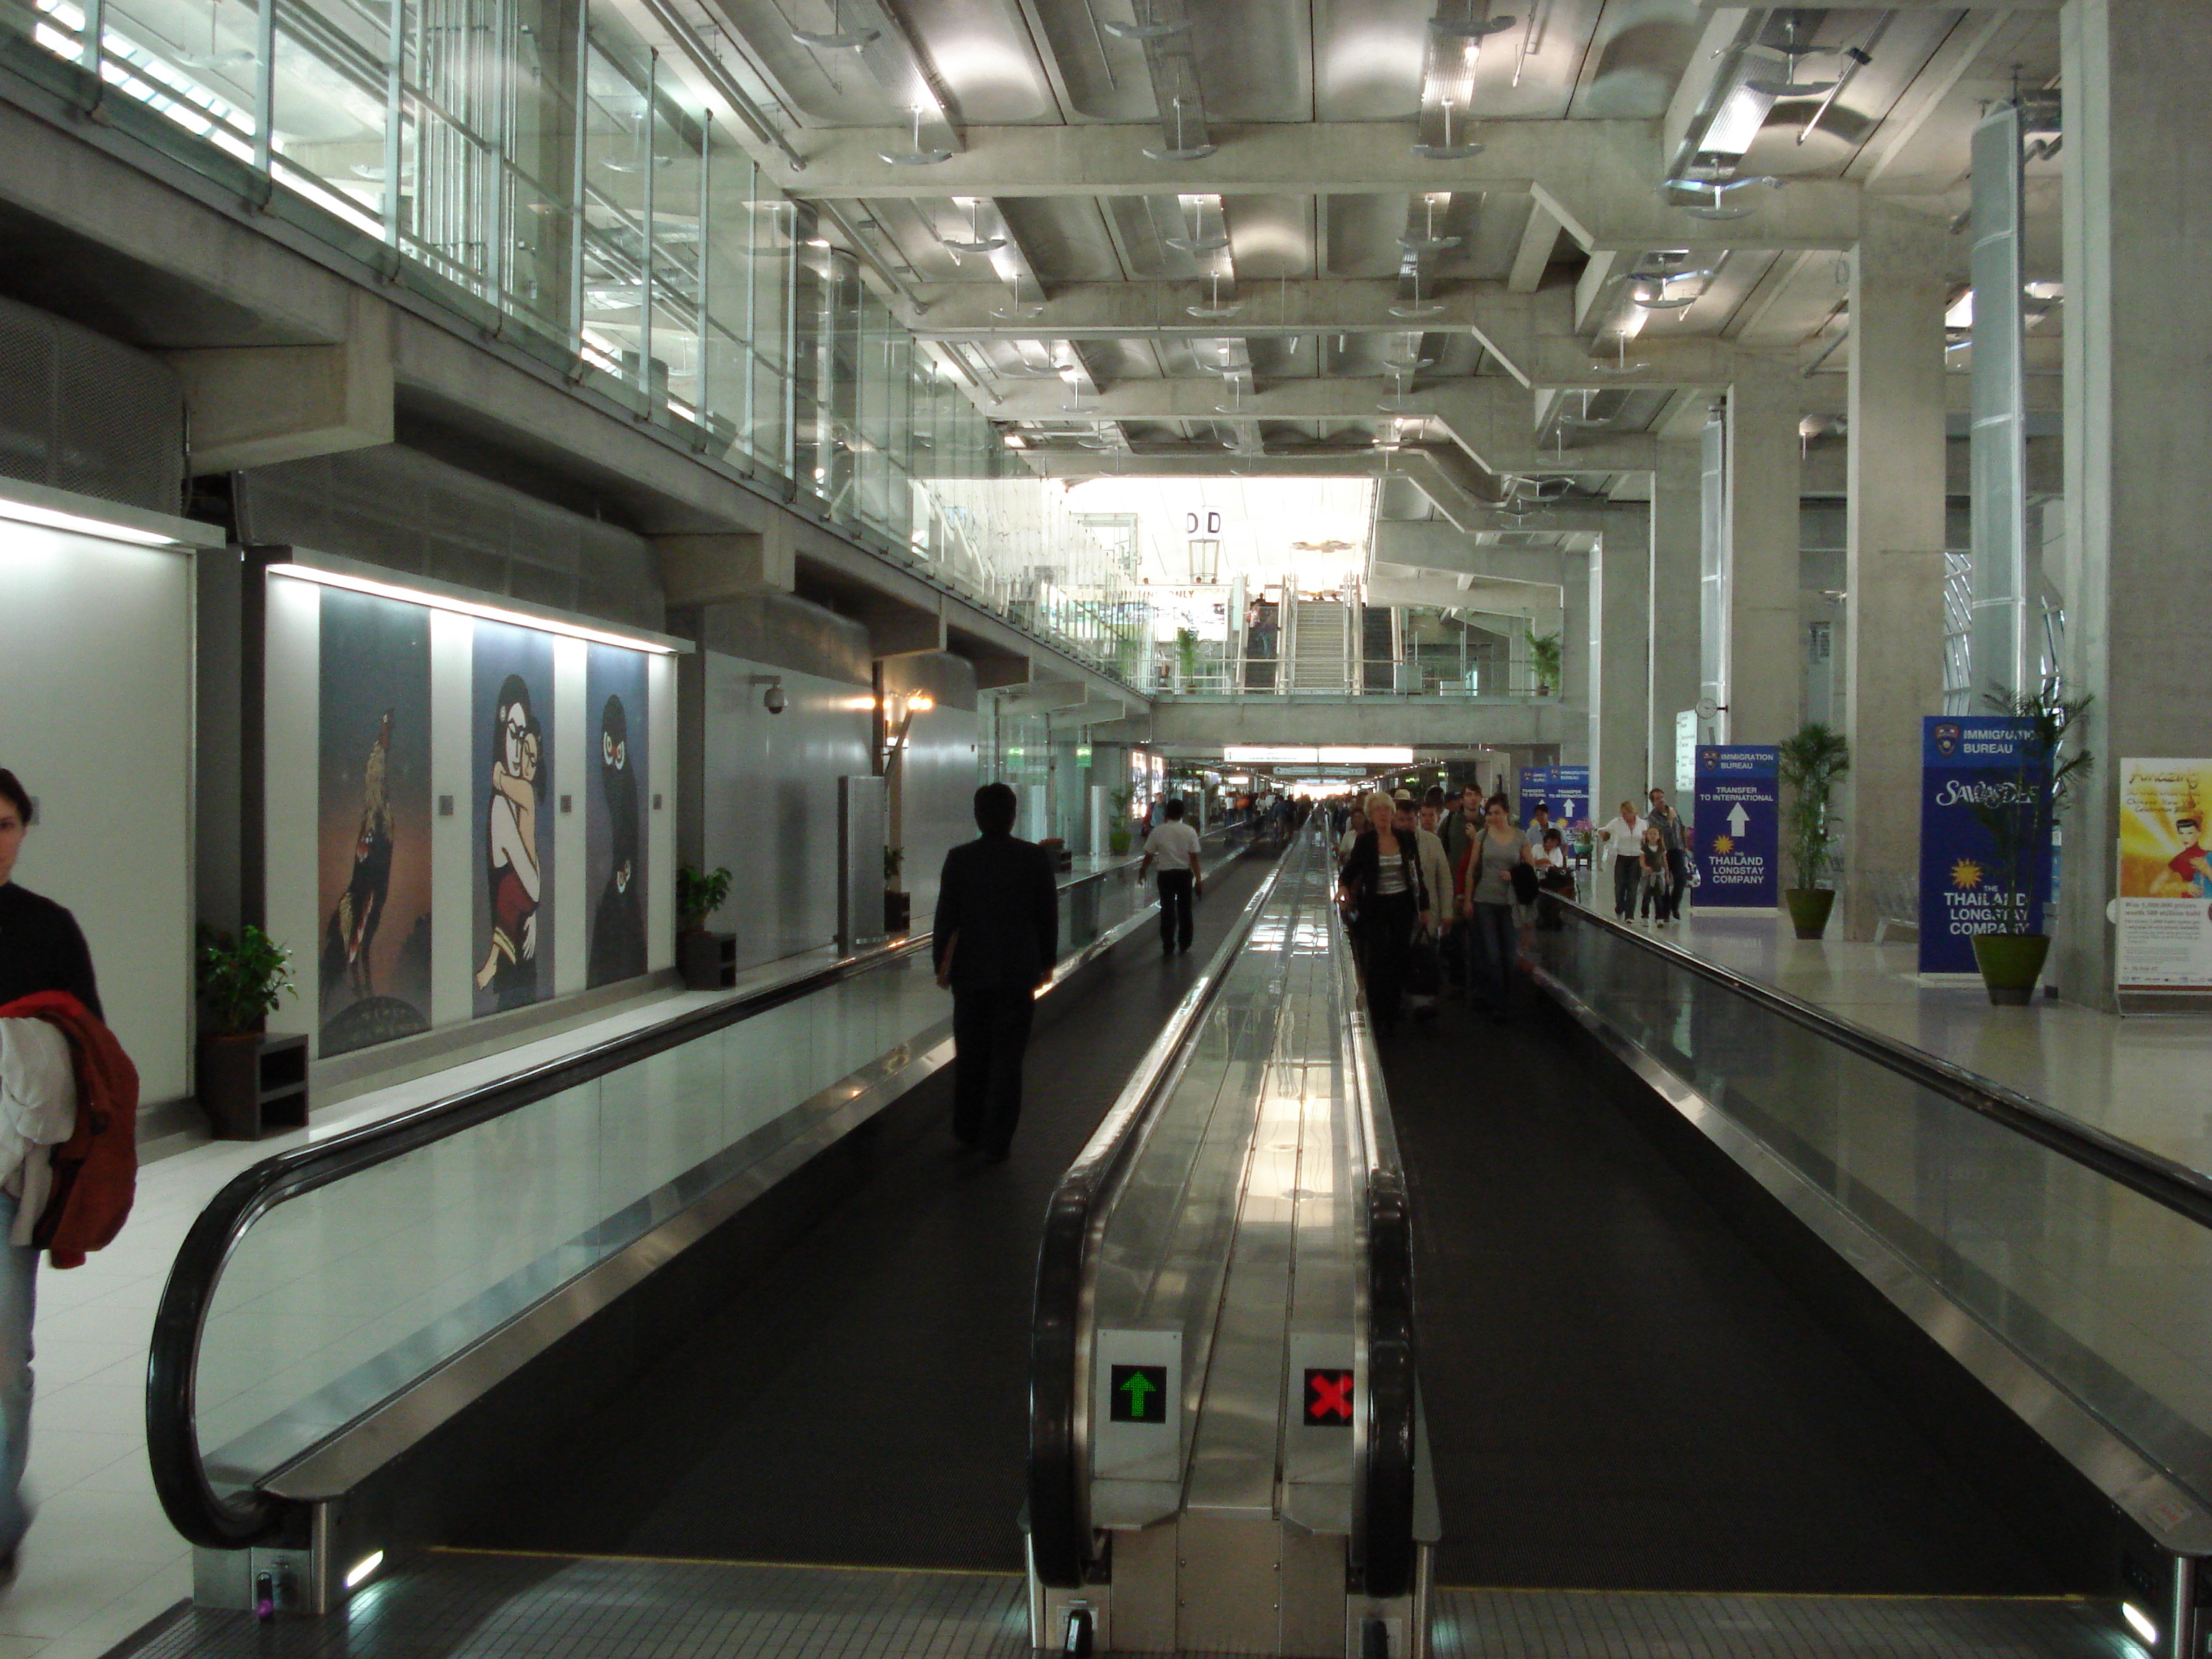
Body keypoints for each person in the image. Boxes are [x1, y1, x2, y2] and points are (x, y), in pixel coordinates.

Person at [0, 769, 101, 1571]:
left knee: (5, 1357)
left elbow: (92, 1052)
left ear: (26, 828)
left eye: (5, 823)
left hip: (13, 1177)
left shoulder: (48, 930)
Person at [934, 783, 1058, 1163]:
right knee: (1008, 1058)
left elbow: (945, 919)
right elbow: (1047, 917)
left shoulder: (960, 859)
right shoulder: (1033, 859)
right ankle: (998, 1139)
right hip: (1017, 973)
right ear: (1013, 815)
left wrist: (943, 964)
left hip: (971, 974)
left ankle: (968, 1130)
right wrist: (1045, 963)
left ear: (977, 815)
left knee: (971, 1053)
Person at [1338, 791, 1429, 1035]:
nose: (1383, 814)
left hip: (1402, 904)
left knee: (1400, 957)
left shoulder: (1405, 838)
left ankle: (1393, 1009)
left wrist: (1425, 907)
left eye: (1387, 810)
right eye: (1377, 810)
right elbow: (1352, 867)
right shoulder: (1366, 841)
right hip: (1376, 907)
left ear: (1392, 813)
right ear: (1371, 815)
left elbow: (1416, 875)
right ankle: (1377, 1012)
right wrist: (1343, 886)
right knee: (1378, 960)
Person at [1457, 792, 1534, 1022]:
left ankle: (1502, 997)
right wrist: (1468, 899)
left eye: (1497, 813)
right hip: (1485, 901)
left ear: (1506, 813)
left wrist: (1513, 876)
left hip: (1509, 903)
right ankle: (1498, 1003)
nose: (1492, 817)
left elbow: (1530, 870)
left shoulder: (1520, 837)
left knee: (1508, 955)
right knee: (1491, 954)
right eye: (1489, 813)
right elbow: (1472, 869)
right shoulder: (1482, 835)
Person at [1138, 797, 1204, 955]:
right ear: (1182, 813)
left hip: (1165, 875)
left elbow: (1149, 854)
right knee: (1185, 910)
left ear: (1167, 813)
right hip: (1184, 875)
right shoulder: (1189, 831)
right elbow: (1194, 857)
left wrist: (1143, 871)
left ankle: (1168, 944)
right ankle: (1185, 943)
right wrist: (1199, 880)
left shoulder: (1158, 831)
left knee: (1167, 910)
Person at [1596, 798, 1644, 921]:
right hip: (1622, 857)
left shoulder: (1643, 824)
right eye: (1622, 813)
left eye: (1626, 813)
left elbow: (1646, 839)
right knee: (1620, 886)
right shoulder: (1617, 822)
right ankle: (1619, 907)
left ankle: (1630, 915)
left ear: (1632, 812)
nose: (1623, 816)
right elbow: (1602, 830)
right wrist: (1602, 833)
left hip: (1636, 858)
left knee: (1633, 887)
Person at [1647, 788, 1689, 924]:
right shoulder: (1652, 817)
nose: (1662, 800)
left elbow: (1681, 827)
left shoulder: (1673, 811)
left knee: (1681, 879)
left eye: (1662, 797)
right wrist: (1670, 820)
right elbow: (1664, 831)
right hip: (1663, 852)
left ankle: (1674, 905)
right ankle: (1664, 912)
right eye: (1658, 799)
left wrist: (1685, 845)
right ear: (1653, 802)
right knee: (1664, 882)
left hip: (1678, 850)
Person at [1637, 823, 1671, 922]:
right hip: (1647, 876)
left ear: (1659, 836)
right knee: (1646, 897)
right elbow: (1642, 861)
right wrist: (1645, 867)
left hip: (1659, 875)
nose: (1652, 836)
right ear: (1647, 835)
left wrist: (1667, 875)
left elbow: (1665, 862)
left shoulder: (1661, 849)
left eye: (1655, 834)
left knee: (1659, 897)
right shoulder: (1644, 848)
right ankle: (1645, 916)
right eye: (1650, 834)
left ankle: (1659, 917)